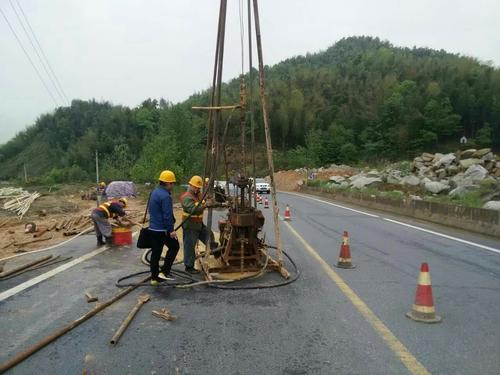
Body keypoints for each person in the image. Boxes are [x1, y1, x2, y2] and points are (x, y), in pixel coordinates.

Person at [148, 170, 180, 285]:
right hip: (162, 230)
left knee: (156, 253)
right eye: (172, 183)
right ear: (168, 183)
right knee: (175, 247)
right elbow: (167, 215)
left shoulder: (154, 192)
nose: (173, 185)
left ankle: (154, 278)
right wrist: (171, 230)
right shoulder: (166, 196)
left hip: (153, 228)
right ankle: (164, 272)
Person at [180, 175, 213, 274]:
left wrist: (210, 199)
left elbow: (204, 198)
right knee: (190, 246)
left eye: (198, 187)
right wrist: (205, 205)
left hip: (199, 224)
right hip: (190, 225)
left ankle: (215, 251)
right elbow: (193, 210)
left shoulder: (198, 194)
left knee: (209, 236)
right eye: (195, 187)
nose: (197, 189)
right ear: (190, 185)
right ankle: (189, 267)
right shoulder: (186, 197)